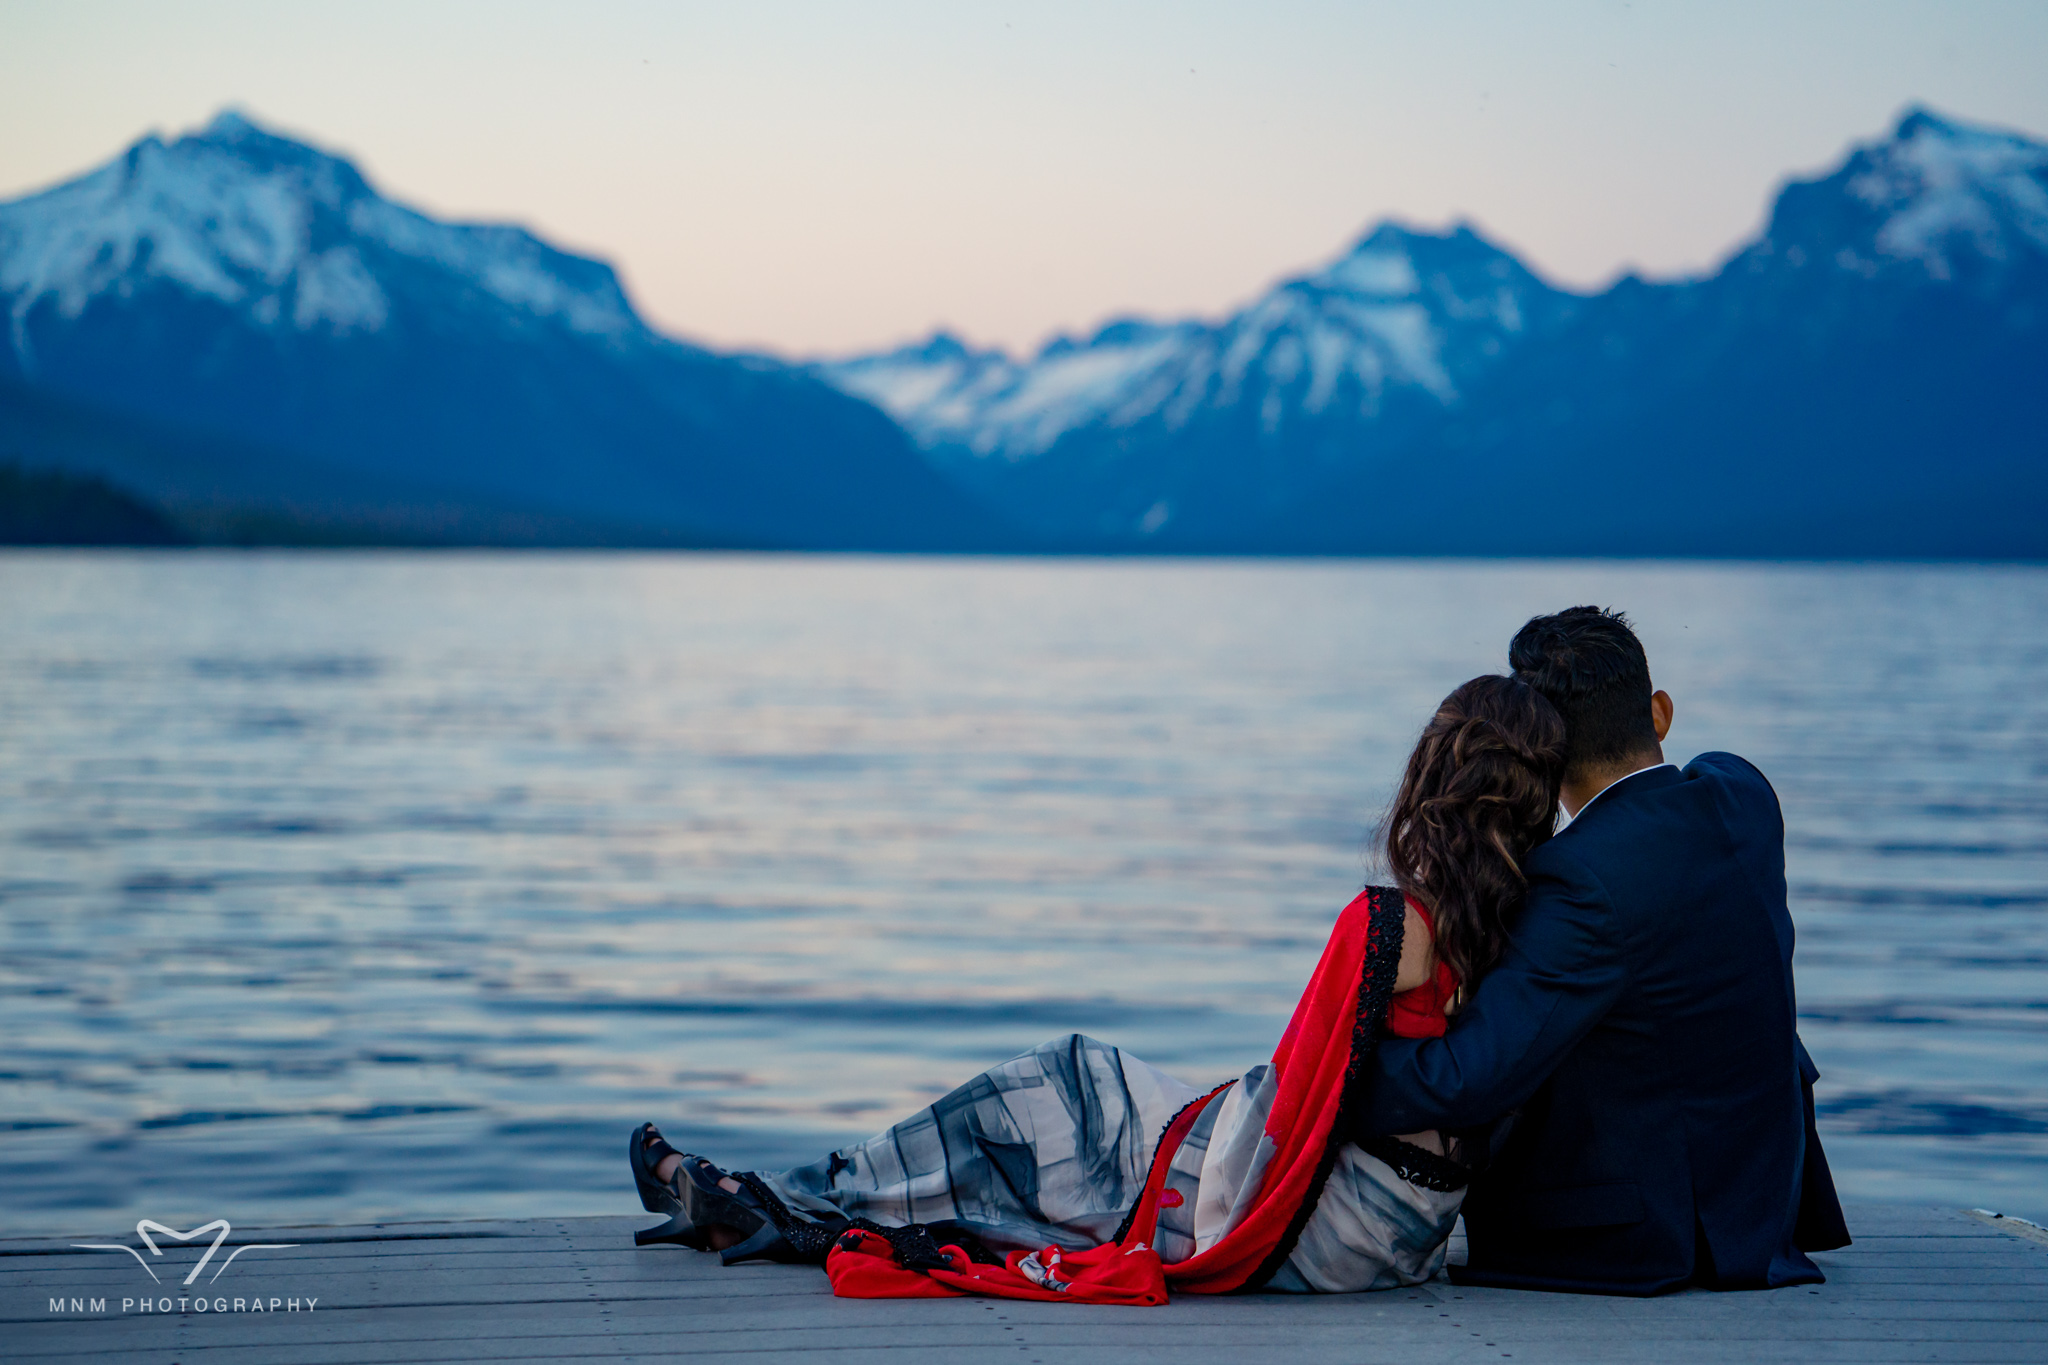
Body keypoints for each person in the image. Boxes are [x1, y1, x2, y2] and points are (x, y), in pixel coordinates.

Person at [627, 675, 1567, 1297]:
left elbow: (1293, 1109)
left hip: (1316, 1226)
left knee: (1065, 1083)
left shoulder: (1392, 925)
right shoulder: (1541, 922)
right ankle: (790, 1197)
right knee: (1088, 1117)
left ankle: (780, 1202)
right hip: (1402, 1237)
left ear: (1435, 778)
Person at [1362, 606, 1851, 1294]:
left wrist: (1343, 1062)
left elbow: (1466, 1081)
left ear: (1542, 752)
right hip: (1767, 1205)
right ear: (1659, 711)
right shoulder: (1742, 793)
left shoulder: (1579, 880)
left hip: (1653, 1238)